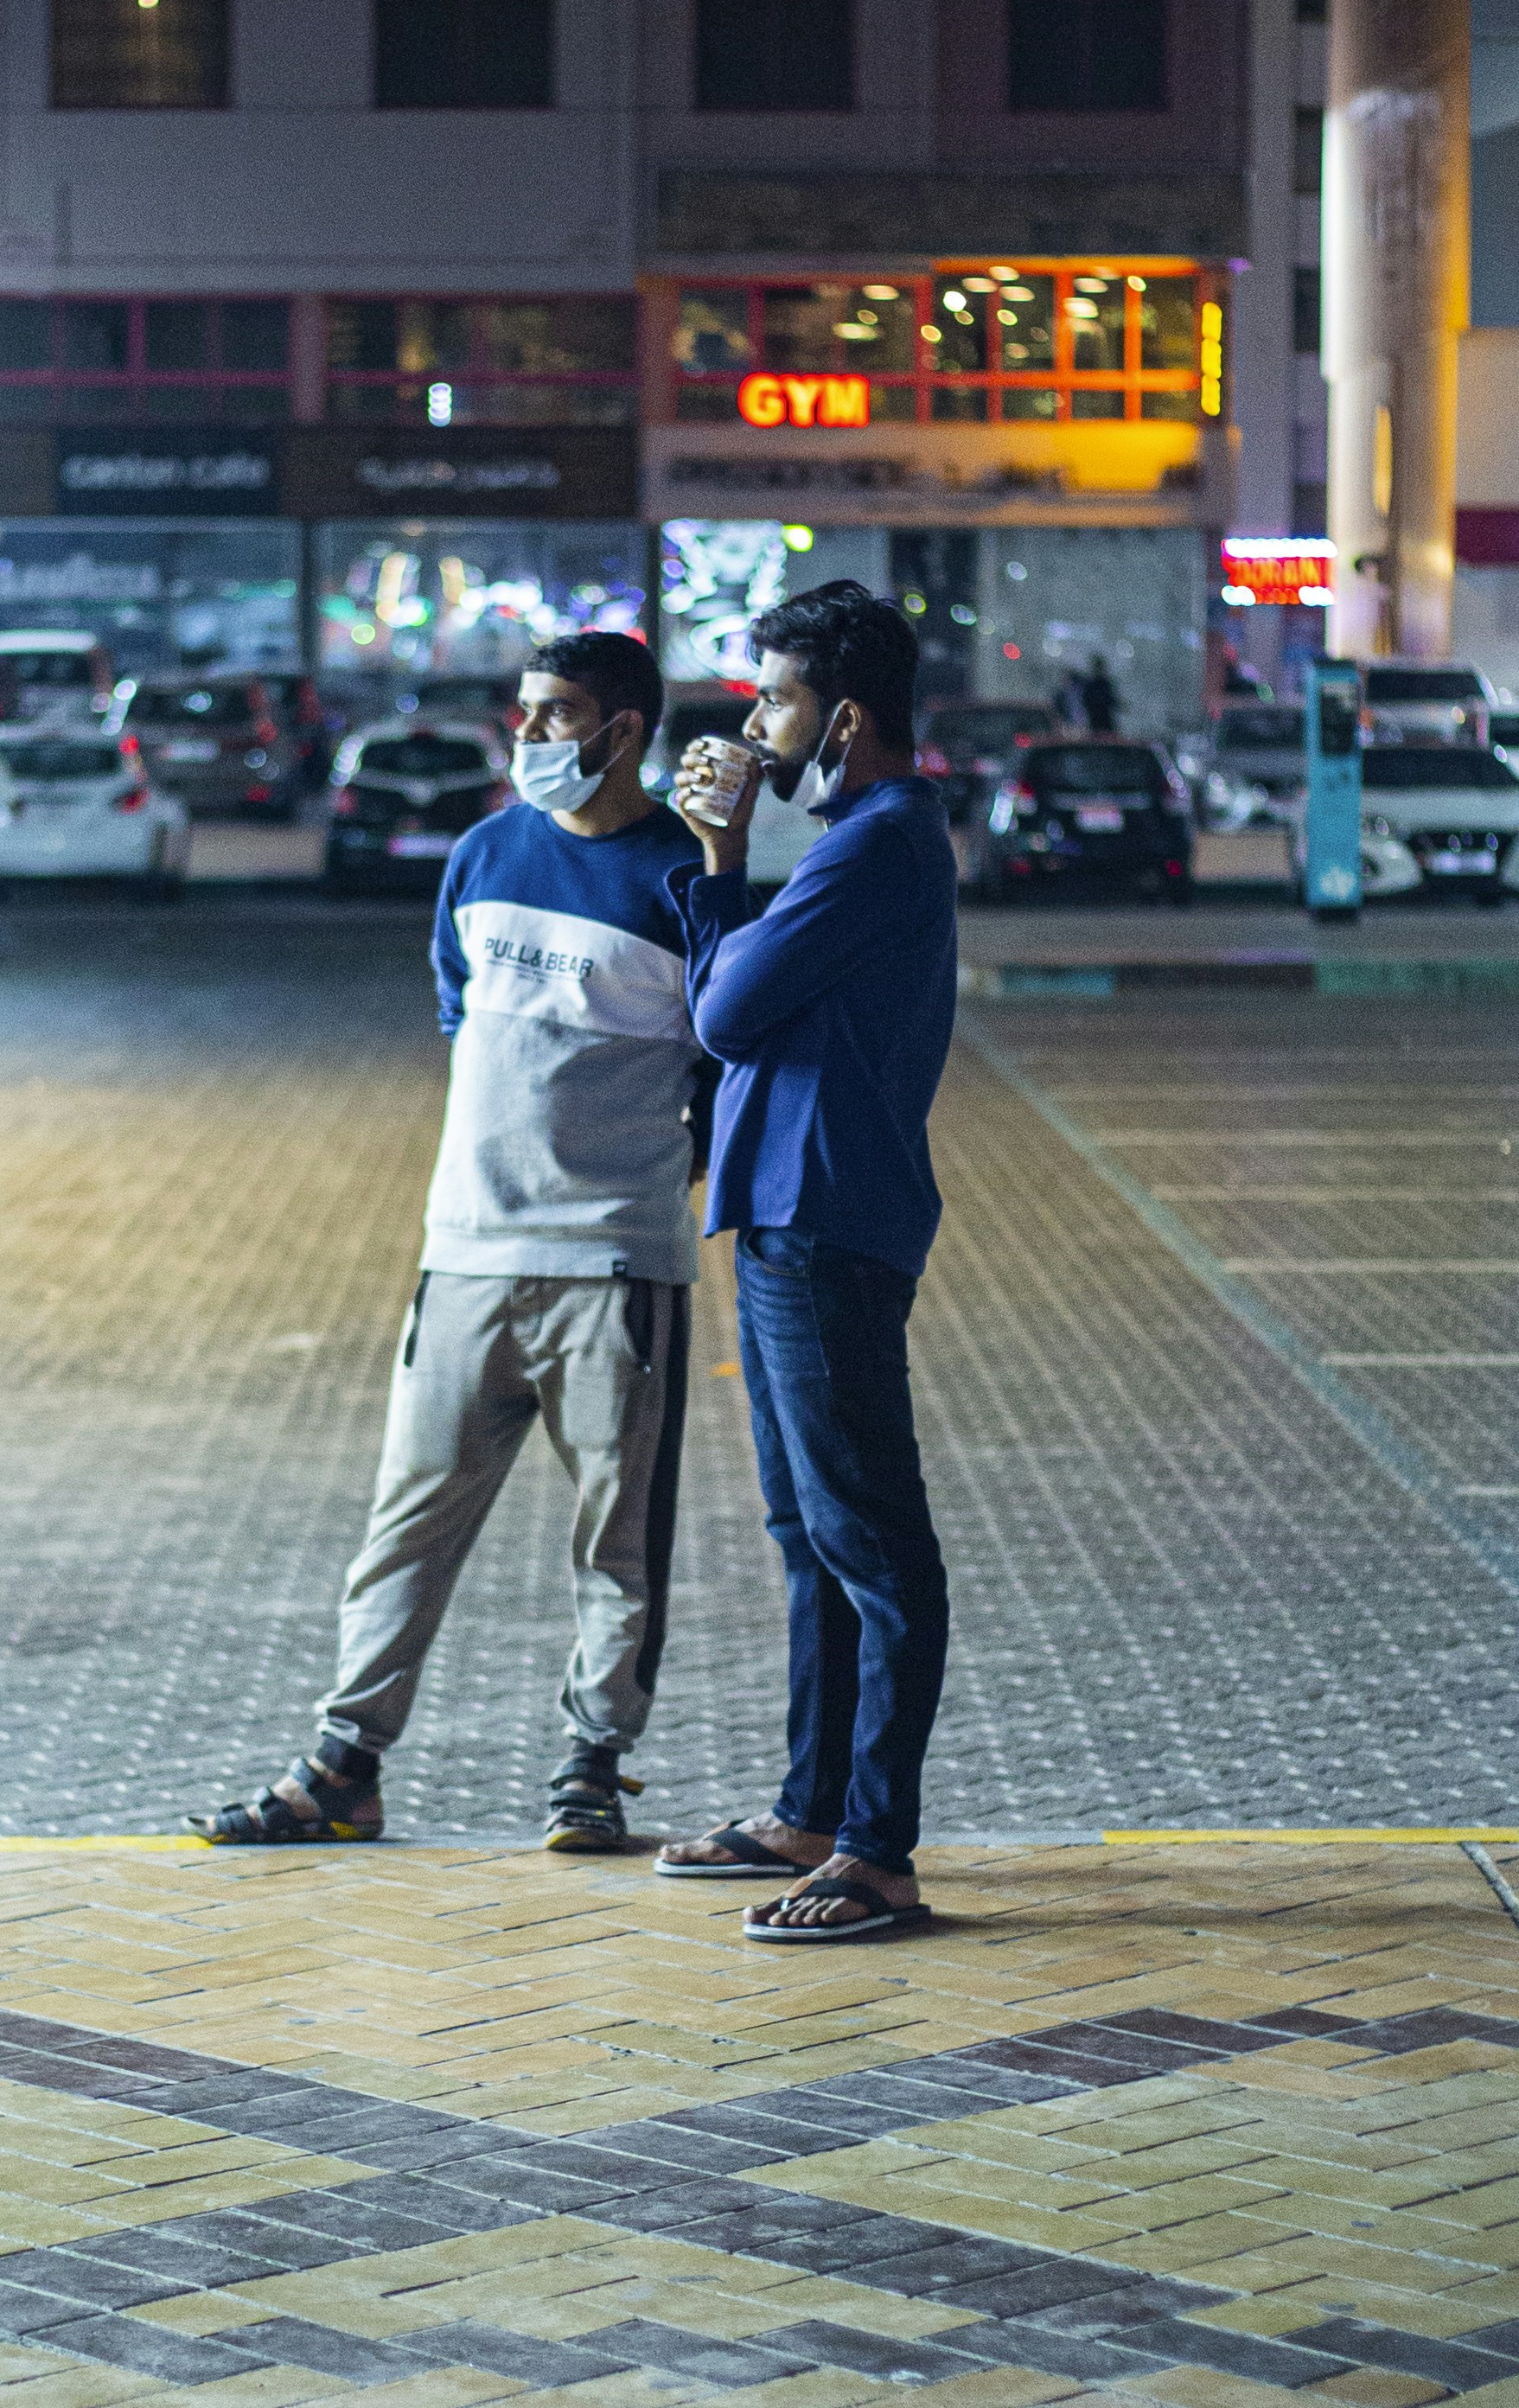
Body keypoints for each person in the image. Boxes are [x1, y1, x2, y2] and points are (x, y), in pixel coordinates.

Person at [193, 630, 712, 1854]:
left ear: (621, 731)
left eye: (553, 716)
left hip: (616, 1265)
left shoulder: (684, 877)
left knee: (618, 1534)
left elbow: (726, 1056)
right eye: (524, 713)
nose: (527, 737)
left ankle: (591, 1763)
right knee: (405, 1527)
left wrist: (646, 1167)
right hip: (466, 1253)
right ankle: (343, 1766)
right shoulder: (483, 855)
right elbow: (458, 1008)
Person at [659, 580, 958, 1945]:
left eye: (773, 698)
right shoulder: (853, 839)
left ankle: (878, 1851)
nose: (752, 722)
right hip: (783, 1213)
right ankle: (811, 1808)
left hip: (826, 1218)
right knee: (805, 1535)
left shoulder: (876, 845)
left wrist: (718, 856)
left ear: (841, 718)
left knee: (869, 1543)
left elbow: (721, 1010)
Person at [1080, 653, 1122, 733]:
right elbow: (1085, 700)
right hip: (1095, 716)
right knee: (1099, 735)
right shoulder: (1091, 684)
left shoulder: (1105, 683)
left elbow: (1111, 699)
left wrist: (1118, 704)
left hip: (1104, 715)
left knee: (1107, 735)